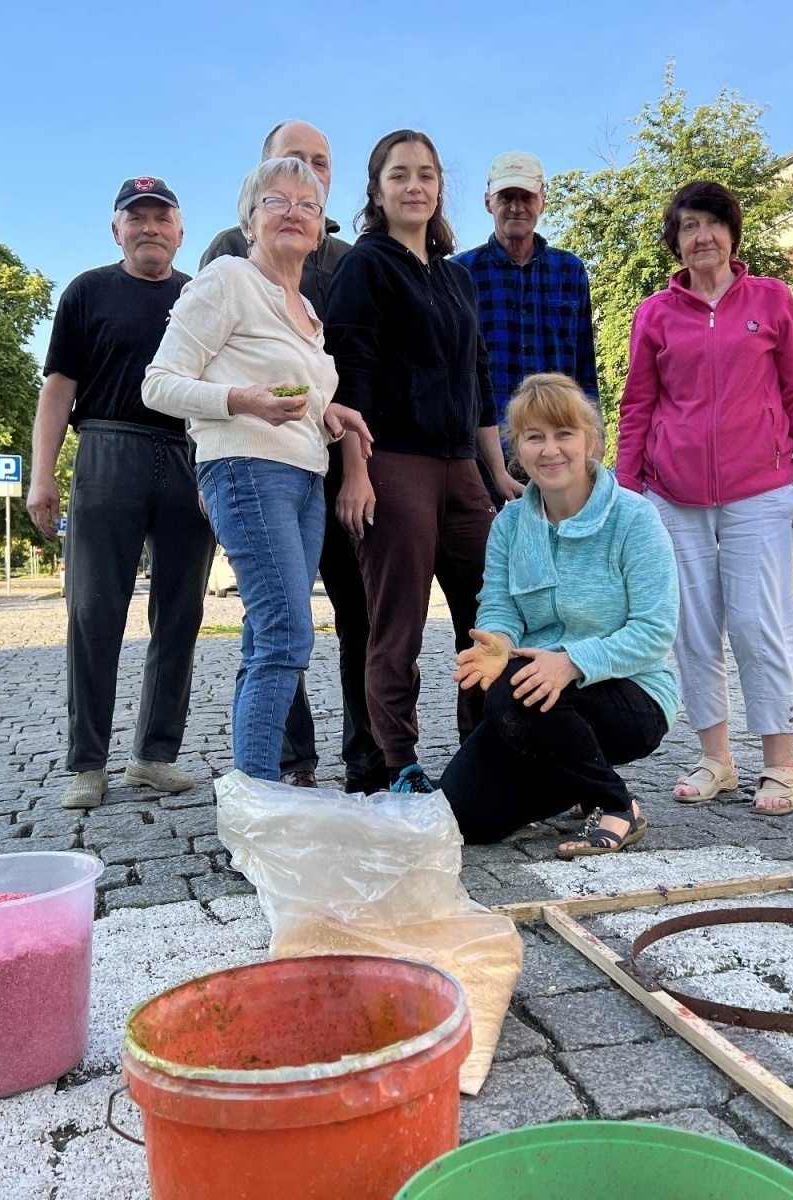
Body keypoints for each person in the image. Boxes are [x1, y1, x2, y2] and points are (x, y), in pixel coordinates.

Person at [615, 180, 793, 817]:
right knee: (692, 629)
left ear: (732, 233)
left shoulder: (770, 301)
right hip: (672, 495)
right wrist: (626, 495)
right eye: (688, 226)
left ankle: (782, 763)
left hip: (760, 489)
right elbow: (638, 408)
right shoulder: (654, 314)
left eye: (712, 223)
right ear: (677, 243)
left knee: (756, 623)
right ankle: (716, 758)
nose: (702, 236)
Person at [143, 157, 372, 781]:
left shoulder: (306, 313)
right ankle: (259, 796)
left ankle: (253, 789)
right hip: (246, 469)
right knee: (288, 634)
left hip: (304, 479)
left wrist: (333, 412)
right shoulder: (228, 280)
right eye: (277, 201)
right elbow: (158, 384)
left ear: (321, 229)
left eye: (308, 204)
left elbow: (300, 396)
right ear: (250, 219)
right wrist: (242, 400)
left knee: (266, 636)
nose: (294, 211)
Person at [327, 129, 520, 794]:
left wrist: (496, 473)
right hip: (393, 461)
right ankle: (397, 760)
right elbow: (350, 373)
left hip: (461, 468)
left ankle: (482, 746)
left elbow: (479, 380)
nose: (415, 186)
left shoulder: (457, 277)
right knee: (398, 620)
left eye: (427, 175)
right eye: (400, 175)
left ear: (440, 189)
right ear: (377, 191)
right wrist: (355, 470)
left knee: (490, 611)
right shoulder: (366, 264)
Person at [199, 120, 384, 793]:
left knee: (335, 619)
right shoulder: (229, 259)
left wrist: (347, 444)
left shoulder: (337, 270)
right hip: (257, 466)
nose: (306, 181)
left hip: (324, 466)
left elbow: (337, 377)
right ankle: (275, 775)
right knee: (280, 626)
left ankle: (355, 764)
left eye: (319, 166)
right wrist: (214, 453)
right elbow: (187, 372)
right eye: (290, 167)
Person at [28, 177, 216, 810]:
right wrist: (42, 473)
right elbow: (58, 387)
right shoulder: (87, 291)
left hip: (188, 453)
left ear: (180, 230)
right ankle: (86, 763)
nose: (149, 227)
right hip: (108, 449)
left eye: (161, 217)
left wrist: (214, 470)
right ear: (117, 230)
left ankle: (154, 755)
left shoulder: (201, 295)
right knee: (92, 611)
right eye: (136, 218)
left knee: (182, 611)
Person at [441, 374, 678, 857]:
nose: (550, 450)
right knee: (463, 816)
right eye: (534, 437)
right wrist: (499, 644)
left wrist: (570, 662)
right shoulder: (509, 523)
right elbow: (500, 606)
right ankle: (580, 778)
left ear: (590, 440)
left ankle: (615, 805)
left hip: (630, 695)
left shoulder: (635, 519)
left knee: (512, 690)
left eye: (563, 434)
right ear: (518, 450)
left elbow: (654, 632)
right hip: (537, 702)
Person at [453, 150, 599, 496]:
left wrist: (595, 445)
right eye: (506, 197)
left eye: (526, 197)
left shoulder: (570, 271)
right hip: (482, 458)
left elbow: (584, 366)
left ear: (543, 201)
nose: (516, 207)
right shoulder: (459, 273)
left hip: (558, 452)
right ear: (488, 201)